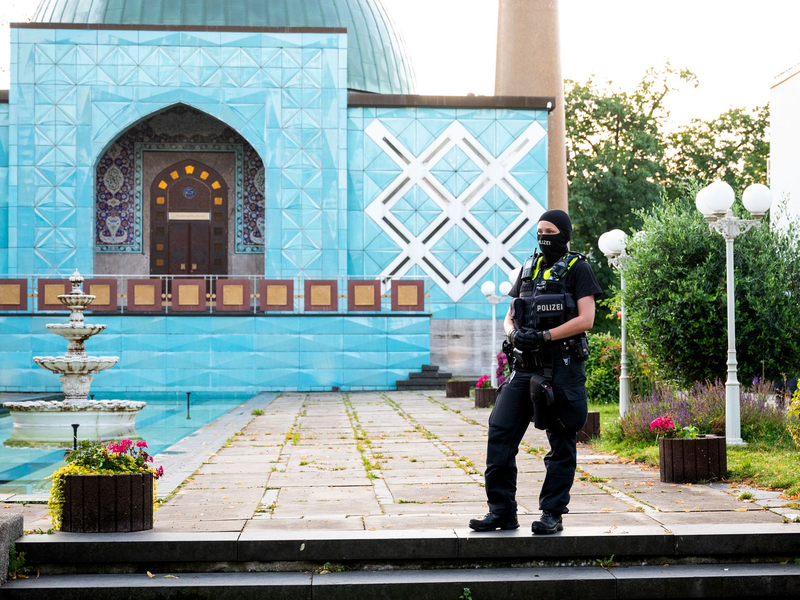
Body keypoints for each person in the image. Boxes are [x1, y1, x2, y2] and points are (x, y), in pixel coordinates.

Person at [469, 209, 602, 535]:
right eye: (540, 231)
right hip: (524, 367)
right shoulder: (528, 268)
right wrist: (513, 333)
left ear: (564, 235)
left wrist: (546, 336)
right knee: (500, 434)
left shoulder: (578, 268)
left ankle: (552, 514)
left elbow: (586, 319)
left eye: (550, 232)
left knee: (561, 443)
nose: (543, 237)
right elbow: (510, 314)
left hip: (560, 369)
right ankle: (501, 511)